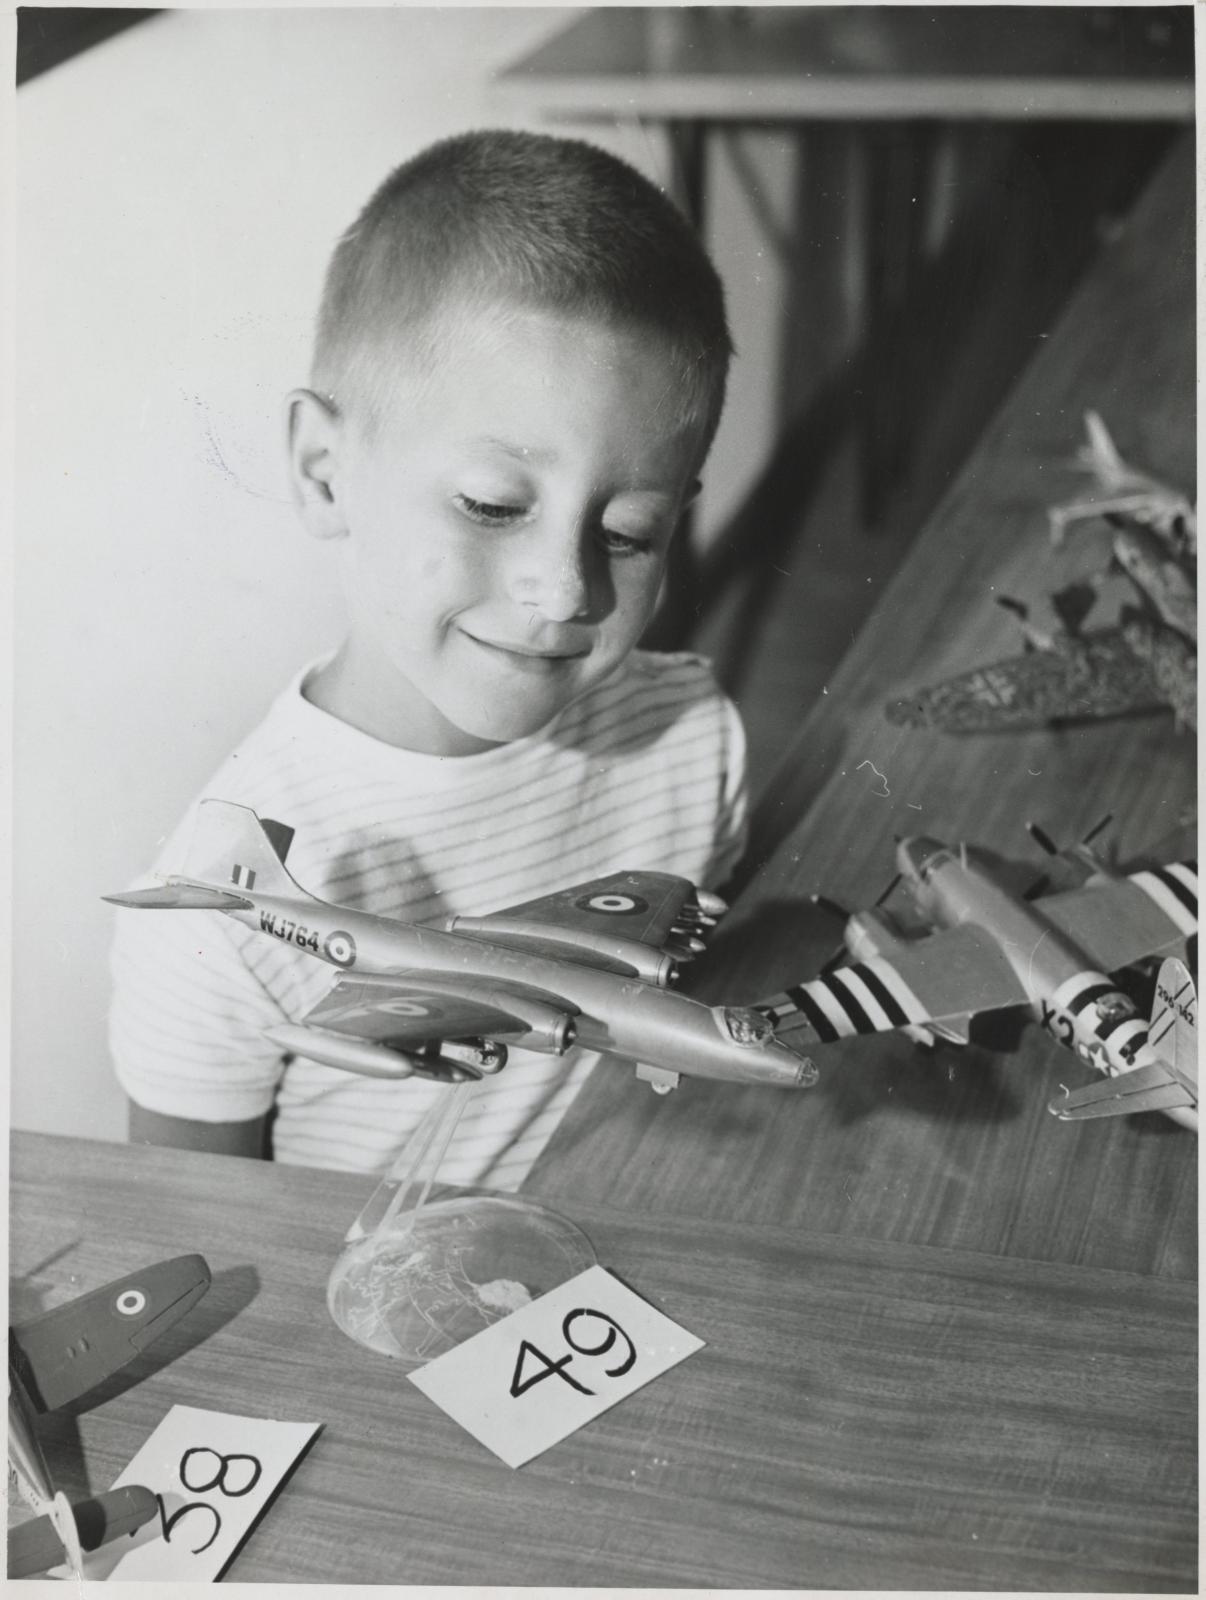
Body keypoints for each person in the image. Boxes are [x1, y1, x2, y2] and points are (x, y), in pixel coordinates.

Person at [110, 129, 746, 1188]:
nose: (566, 589)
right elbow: (191, 1232)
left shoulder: (693, 737)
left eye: (630, 531)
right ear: (323, 474)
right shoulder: (209, 925)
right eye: (493, 506)